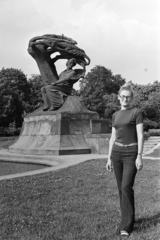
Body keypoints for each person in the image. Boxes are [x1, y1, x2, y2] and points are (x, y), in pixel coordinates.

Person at [106, 83, 144, 239]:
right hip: (116, 153)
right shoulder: (115, 115)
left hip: (131, 153)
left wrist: (139, 155)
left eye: (128, 96)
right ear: (119, 97)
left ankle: (126, 226)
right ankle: (127, 219)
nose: (125, 99)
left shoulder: (137, 112)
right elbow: (112, 137)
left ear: (132, 98)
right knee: (121, 189)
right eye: (123, 96)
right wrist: (108, 157)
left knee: (126, 186)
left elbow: (140, 135)